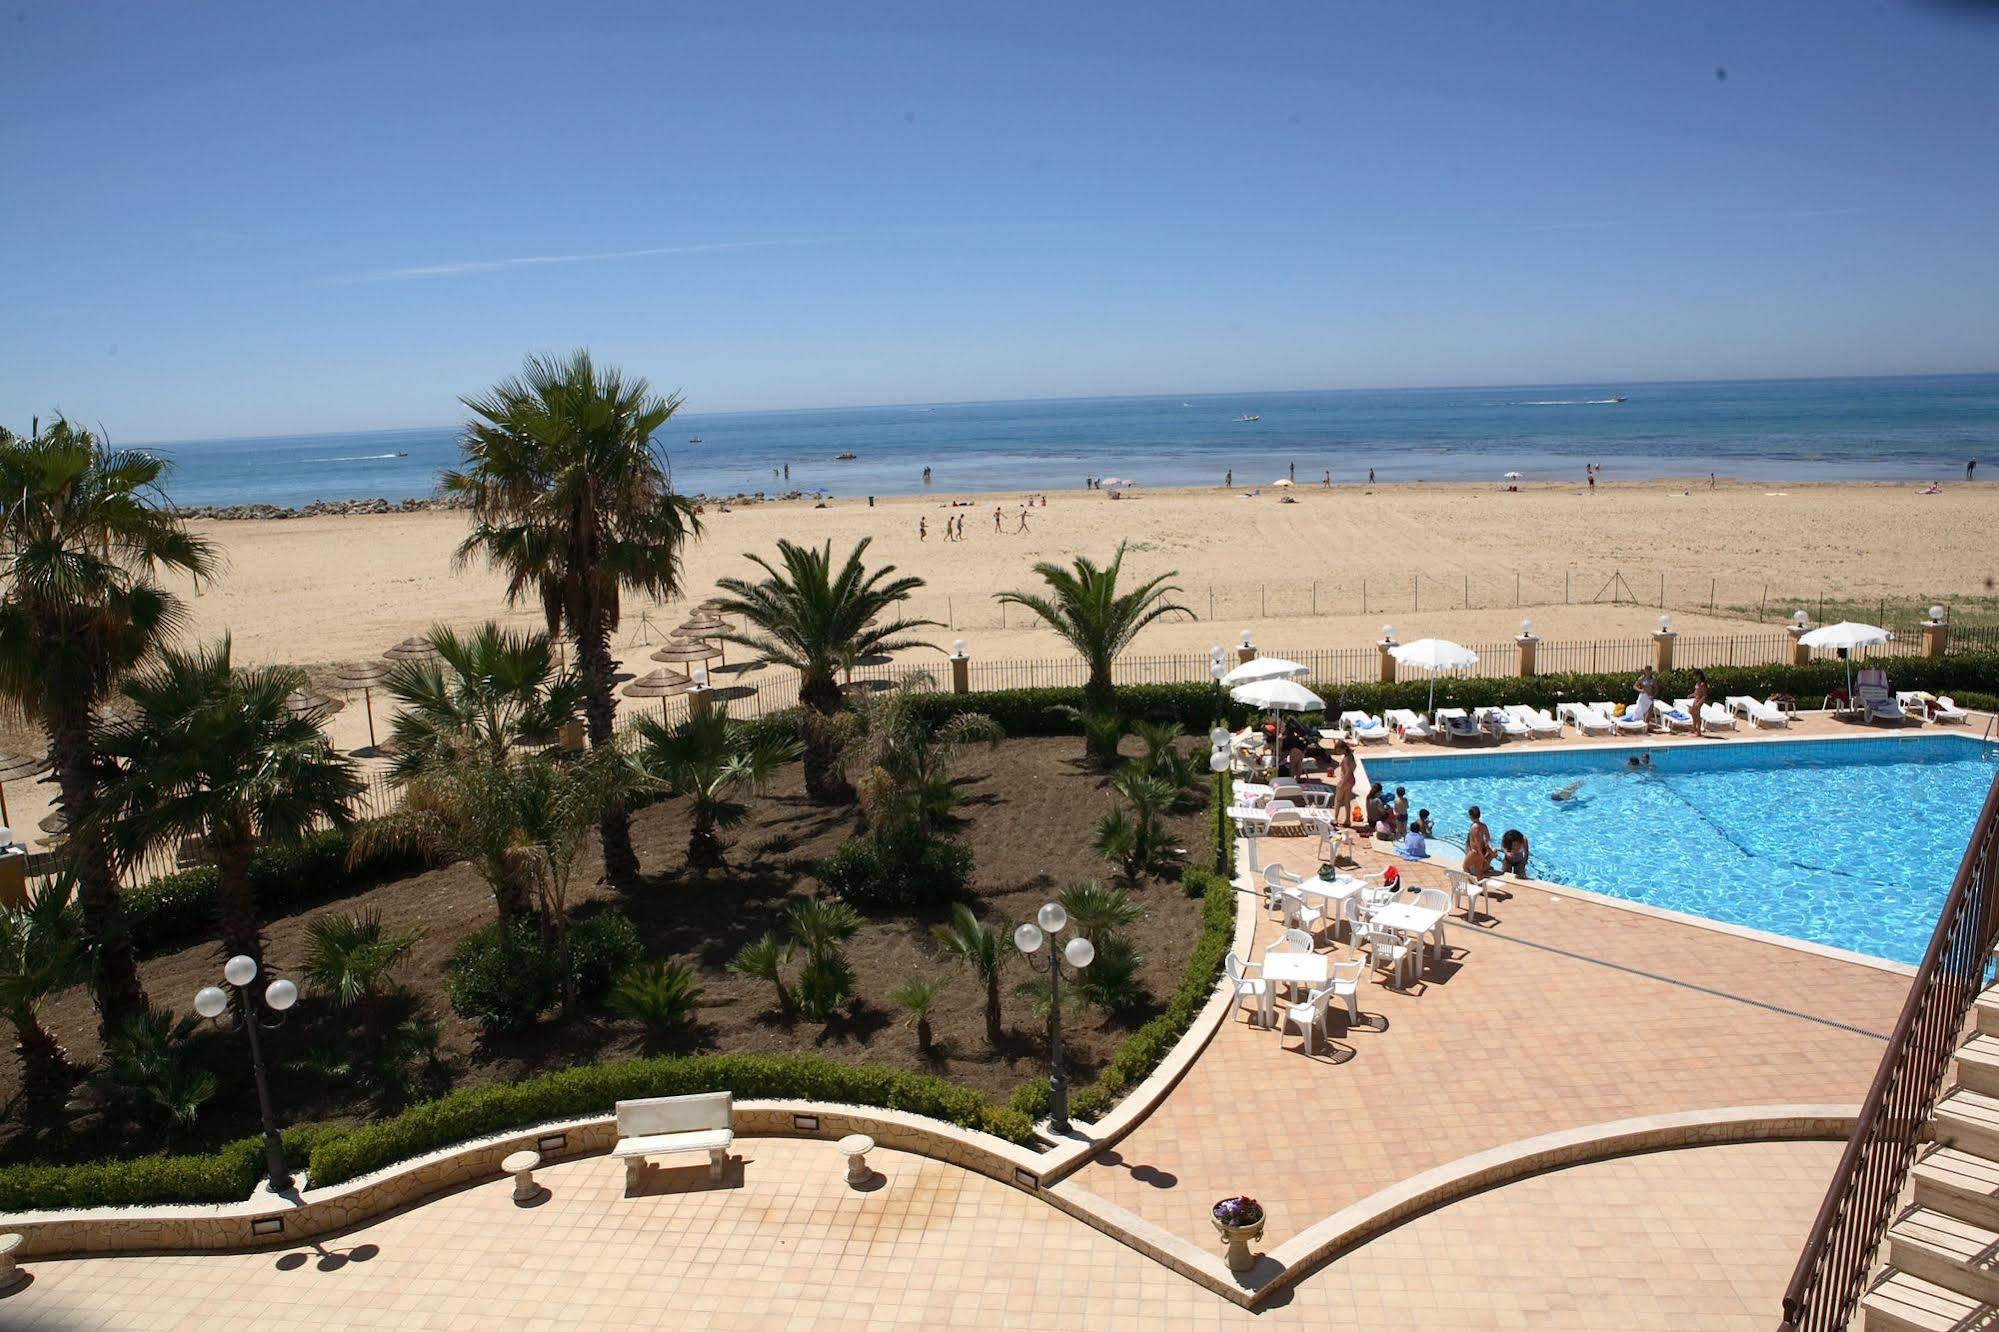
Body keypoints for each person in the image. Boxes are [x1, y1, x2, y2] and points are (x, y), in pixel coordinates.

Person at [1463, 805, 1495, 878]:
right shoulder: (1483, 826)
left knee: (1465, 867)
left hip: (1475, 851)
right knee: (1479, 871)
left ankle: (1471, 882)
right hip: (1480, 850)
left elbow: (1476, 841)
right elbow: (1488, 837)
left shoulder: (1475, 827)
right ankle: (1478, 883)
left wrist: (1480, 853)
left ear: (1471, 816)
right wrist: (1485, 845)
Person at [1332, 740, 1357, 827]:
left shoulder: (1346, 759)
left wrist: (1342, 783)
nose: (1338, 752)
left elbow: (1348, 772)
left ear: (1344, 749)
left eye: (1339, 750)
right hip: (1351, 780)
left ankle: (1335, 819)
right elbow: (1353, 768)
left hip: (1345, 780)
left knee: (1338, 800)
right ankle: (1347, 820)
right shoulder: (1351, 756)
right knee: (1347, 801)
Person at [1690, 668, 1711, 737]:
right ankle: (1694, 728)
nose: (1694, 677)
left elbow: (1704, 695)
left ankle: (1698, 732)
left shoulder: (1702, 684)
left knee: (1697, 715)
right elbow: (1696, 692)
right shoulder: (1697, 683)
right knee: (1692, 712)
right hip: (1696, 699)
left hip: (1699, 700)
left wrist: (1699, 703)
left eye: (1695, 676)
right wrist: (1692, 695)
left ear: (1698, 675)